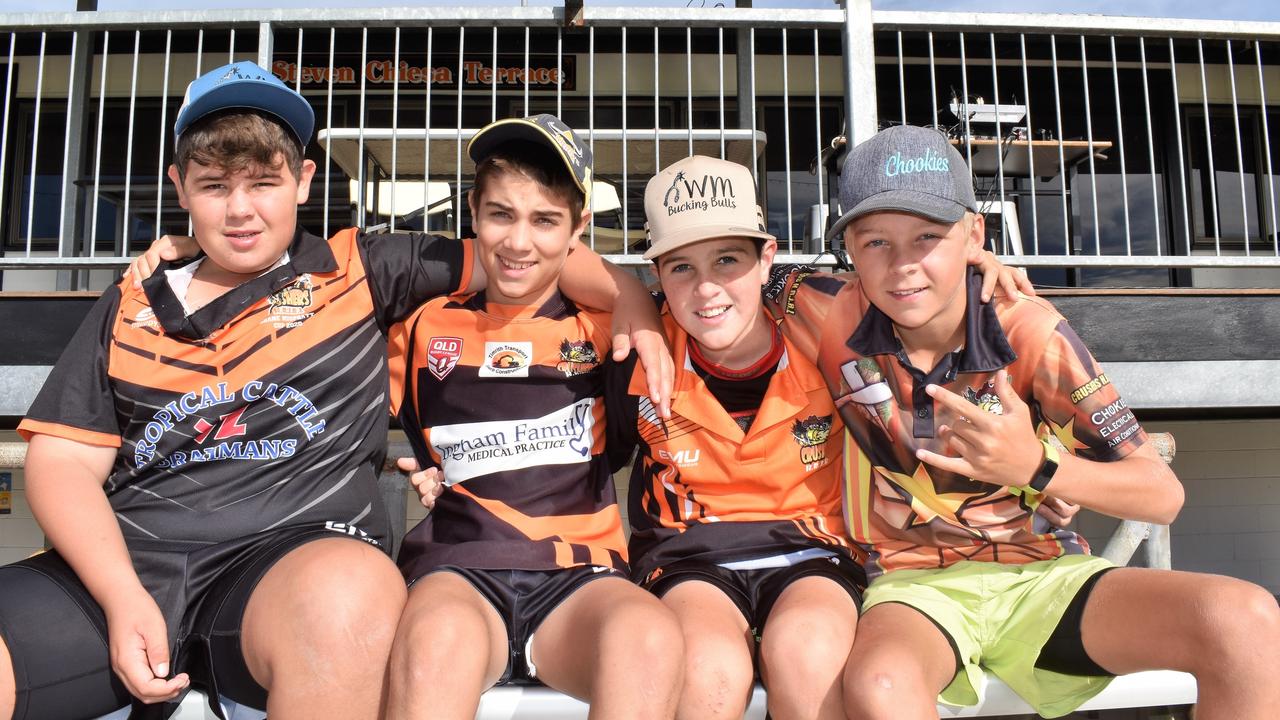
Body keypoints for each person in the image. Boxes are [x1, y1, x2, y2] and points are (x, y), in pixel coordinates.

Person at [0, 62, 667, 720]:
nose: (240, 209)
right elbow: (61, 463)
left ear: (304, 181)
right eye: (213, 186)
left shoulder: (364, 268)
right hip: (128, 557)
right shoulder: (132, 298)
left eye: (264, 182)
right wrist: (120, 597)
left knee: (351, 600)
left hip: (288, 563)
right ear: (178, 186)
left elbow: (527, 250)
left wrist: (631, 300)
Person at [764, 124, 1280, 720]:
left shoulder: (1027, 329)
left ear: (973, 233)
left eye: (929, 236)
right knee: (879, 686)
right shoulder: (827, 308)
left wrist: (1037, 467)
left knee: (1246, 620)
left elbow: (1161, 494)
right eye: (875, 241)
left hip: (1042, 576)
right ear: (849, 249)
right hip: (910, 588)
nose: (903, 265)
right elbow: (743, 278)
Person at [384, 115, 684, 720]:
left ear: (579, 228)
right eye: (502, 214)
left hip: (582, 577)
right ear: (472, 212)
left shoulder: (612, 329)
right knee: (433, 644)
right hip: (459, 569)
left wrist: (634, 301)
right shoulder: (420, 324)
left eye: (545, 220)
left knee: (649, 639)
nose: (519, 242)